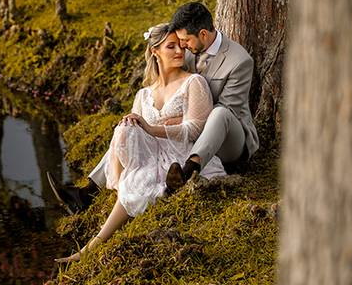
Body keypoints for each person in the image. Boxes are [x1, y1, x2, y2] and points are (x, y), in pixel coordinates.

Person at [47, 1, 258, 213]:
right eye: (178, 42)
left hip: (229, 142)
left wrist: (183, 118)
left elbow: (226, 109)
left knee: (220, 113)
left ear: (203, 34)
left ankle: (189, 171)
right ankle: (87, 192)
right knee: (131, 127)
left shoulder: (239, 61)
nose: (182, 48)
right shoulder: (188, 48)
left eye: (184, 41)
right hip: (190, 132)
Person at [54, 24, 226, 262]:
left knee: (141, 159)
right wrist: (140, 124)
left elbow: (197, 128)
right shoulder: (143, 95)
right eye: (171, 46)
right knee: (127, 132)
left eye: (181, 46)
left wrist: (152, 126)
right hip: (150, 155)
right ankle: (90, 243)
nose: (180, 51)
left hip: (182, 152)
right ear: (155, 51)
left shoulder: (193, 82)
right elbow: (136, 133)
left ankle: (89, 243)